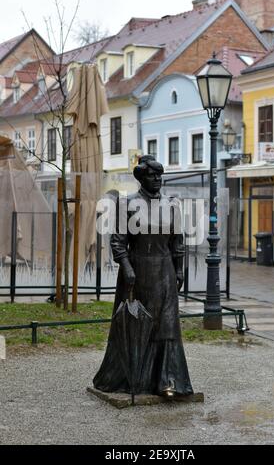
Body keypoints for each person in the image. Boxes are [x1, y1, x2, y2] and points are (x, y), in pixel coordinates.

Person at [93, 155, 193, 398]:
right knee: (137, 324)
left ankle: (168, 380)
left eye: (160, 175)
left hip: (165, 270)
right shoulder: (127, 204)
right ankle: (134, 377)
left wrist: (179, 269)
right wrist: (126, 266)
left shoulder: (172, 204)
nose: (157, 179)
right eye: (152, 175)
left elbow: (178, 242)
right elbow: (118, 241)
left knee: (167, 324)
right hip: (137, 271)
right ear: (141, 178)